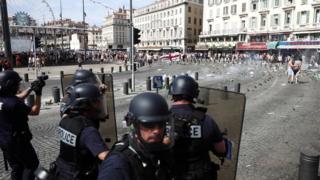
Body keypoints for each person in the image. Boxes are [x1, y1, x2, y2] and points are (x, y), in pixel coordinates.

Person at [97, 92, 174, 180]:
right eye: (149, 125)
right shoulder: (118, 163)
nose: (157, 131)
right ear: (135, 125)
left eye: (161, 124)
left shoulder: (157, 152)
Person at [169, 75, 229, 180]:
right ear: (194, 94)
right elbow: (221, 149)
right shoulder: (206, 120)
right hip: (201, 175)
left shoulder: (162, 120)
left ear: (173, 93)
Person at [51, 83, 109, 180]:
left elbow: (66, 110)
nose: (99, 104)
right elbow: (105, 156)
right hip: (79, 175)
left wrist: (96, 93)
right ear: (85, 104)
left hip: (61, 172)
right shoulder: (88, 130)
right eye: (96, 102)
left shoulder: (65, 120)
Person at [0, 70, 45, 180]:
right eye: (17, 84)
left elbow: (19, 97)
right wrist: (38, 94)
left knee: (17, 167)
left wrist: (31, 87)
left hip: (4, 141)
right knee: (32, 166)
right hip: (19, 143)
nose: (18, 86)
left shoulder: (4, 99)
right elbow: (35, 111)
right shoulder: (14, 104)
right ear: (10, 85)